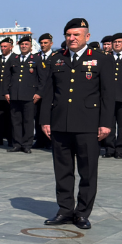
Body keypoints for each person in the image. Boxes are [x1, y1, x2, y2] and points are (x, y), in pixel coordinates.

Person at [38, 18, 112, 230]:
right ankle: (64, 210)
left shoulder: (100, 59)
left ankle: (82, 213)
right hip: (60, 123)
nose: (71, 38)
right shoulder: (56, 59)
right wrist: (45, 120)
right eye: (68, 35)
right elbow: (48, 92)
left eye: (76, 35)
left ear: (87, 36)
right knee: (62, 171)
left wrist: (106, 123)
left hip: (88, 124)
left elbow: (108, 94)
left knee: (87, 172)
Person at [5, 36, 41, 153]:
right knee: (16, 121)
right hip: (14, 95)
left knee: (28, 121)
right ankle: (17, 144)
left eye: (26, 44)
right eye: (22, 44)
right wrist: (6, 92)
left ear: (31, 46)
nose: (24, 46)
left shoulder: (36, 59)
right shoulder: (13, 58)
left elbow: (42, 78)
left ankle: (27, 144)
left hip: (29, 96)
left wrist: (39, 93)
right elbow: (7, 77)